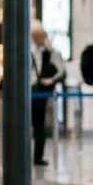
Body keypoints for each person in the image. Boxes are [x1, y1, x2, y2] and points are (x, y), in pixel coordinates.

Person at [30, 24, 64, 166]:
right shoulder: (29, 52)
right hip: (31, 90)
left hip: (41, 92)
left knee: (38, 125)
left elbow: (60, 71)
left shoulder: (51, 53)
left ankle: (38, 156)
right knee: (32, 125)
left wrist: (50, 80)